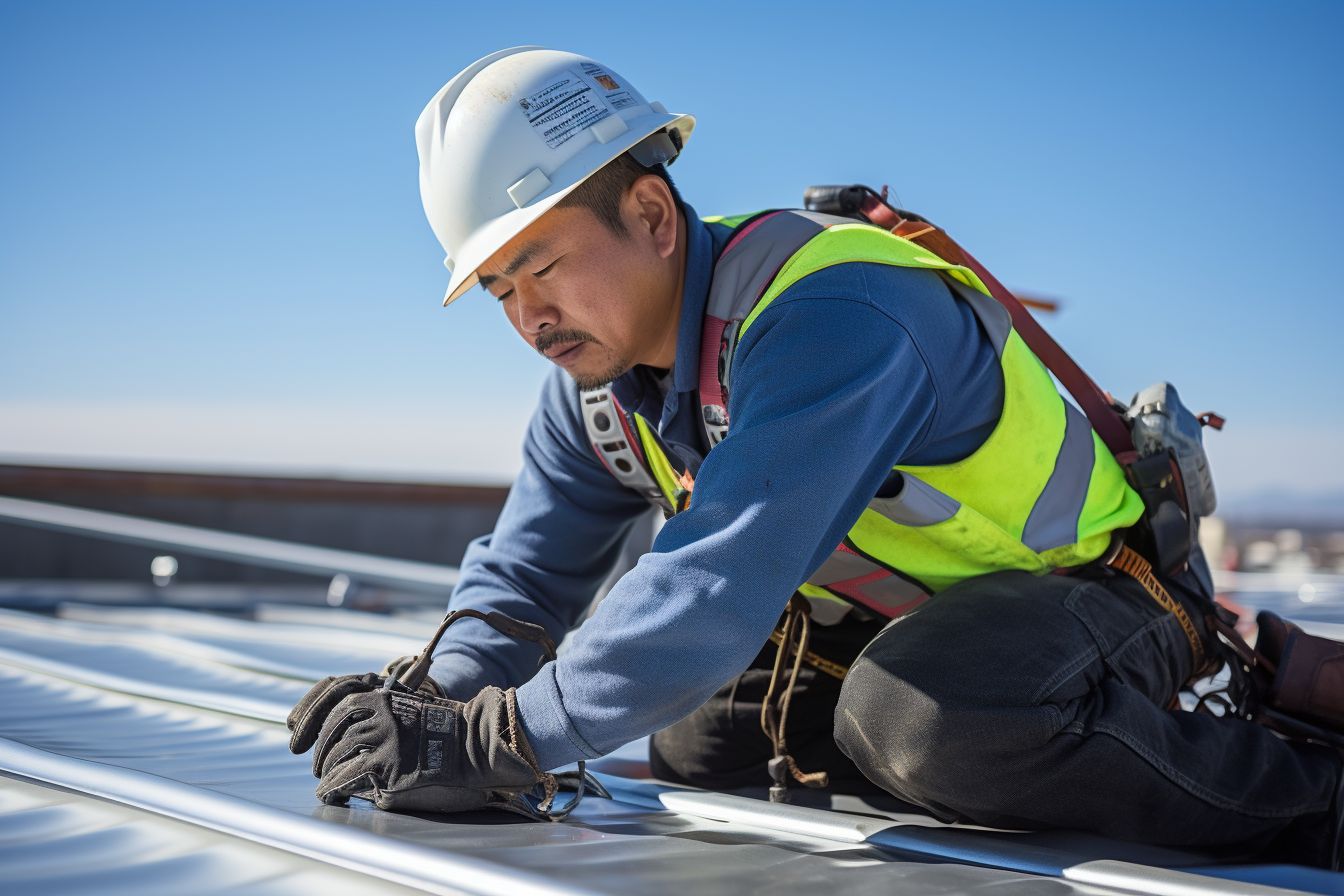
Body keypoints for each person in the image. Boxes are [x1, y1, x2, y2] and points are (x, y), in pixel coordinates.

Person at [286, 46, 1341, 866]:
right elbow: (522, 577)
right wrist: (436, 697)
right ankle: (965, 763)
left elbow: (711, 584)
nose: (528, 317)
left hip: (1103, 598)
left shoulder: (831, 310)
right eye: (500, 290)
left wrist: (501, 737)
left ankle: (1309, 803)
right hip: (922, 620)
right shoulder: (598, 389)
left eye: (543, 267)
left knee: (925, 720)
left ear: (651, 215)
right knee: (698, 731)